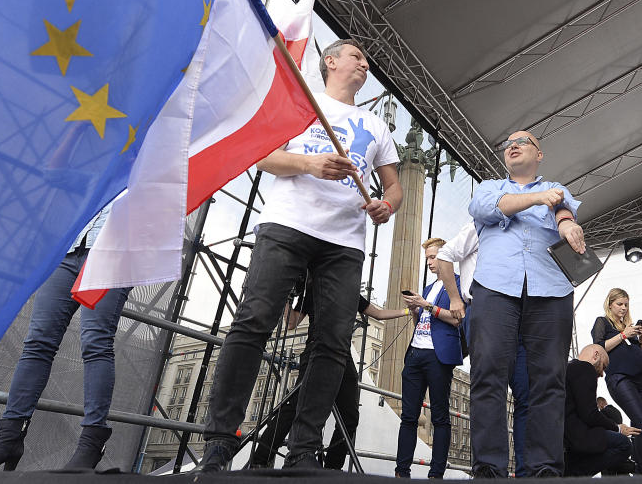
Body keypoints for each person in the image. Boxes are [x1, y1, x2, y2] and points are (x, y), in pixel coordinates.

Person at [198, 39, 402, 471]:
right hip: (287, 224)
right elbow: (263, 159)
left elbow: (394, 187)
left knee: (330, 342)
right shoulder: (299, 106)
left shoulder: (376, 126)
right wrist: (310, 165)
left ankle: (304, 448)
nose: (365, 64)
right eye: (356, 56)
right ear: (330, 62)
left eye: (367, 60)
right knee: (253, 320)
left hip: (345, 240)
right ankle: (219, 440)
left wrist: (388, 205)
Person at [0, 206, 133, 471]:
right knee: (37, 343)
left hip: (114, 251)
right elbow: (56, 174)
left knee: (96, 342)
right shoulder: (105, 163)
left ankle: (91, 444)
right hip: (69, 250)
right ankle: (8, 438)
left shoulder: (157, 164)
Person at [467, 129, 584, 478]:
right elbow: (493, 208)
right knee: (487, 375)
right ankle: (489, 467)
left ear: (540, 154)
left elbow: (565, 212)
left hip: (550, 289)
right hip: (494, 288)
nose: (513, 146)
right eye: (507, 144)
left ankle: (543, 467)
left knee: (549, 380)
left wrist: (566, 223)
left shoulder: (558, 190)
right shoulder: (491, 187)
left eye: (523, 142)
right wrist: (537, 198)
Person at [249, 280, 412, 469]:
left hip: (343, 353)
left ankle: (333, 468)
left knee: (349, 416)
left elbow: (378, 313)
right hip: (316, 349)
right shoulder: (315, 287)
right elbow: (292, 323)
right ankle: (261, 458)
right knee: (295, 406)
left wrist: (408, 311)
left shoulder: (350, 290)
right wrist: (287, 297)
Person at [433, 222, 531, 476]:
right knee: (490, 390)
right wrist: (455, 298)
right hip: (485, 311)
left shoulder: (526, 235)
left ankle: (526, 472)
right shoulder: (482, 224)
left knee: (528, 394)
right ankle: (490, 472)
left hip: (521, 316)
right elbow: (445, 255)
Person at [395, 238, 463, 478]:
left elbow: (457, 319)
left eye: (433, 257)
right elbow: (421, 322)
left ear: (446, 257)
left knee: (441, 417)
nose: (430, 263)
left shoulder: (458, 284)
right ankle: (401, 472)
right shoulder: (428, 288)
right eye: (428, 259)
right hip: (415, 352)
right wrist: (416, 310)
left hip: (438, 355)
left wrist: (428, 306)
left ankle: (436, 474)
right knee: (408, 416)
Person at [591, 288, 642, 474]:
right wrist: (623, 335)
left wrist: (641, 340)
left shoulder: (629, 328)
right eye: (620, 304)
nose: (624, 308)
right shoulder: (602, 322)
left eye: (626, 304)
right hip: (620, 378)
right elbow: (599, 346)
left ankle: (641, 468)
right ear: (610, 304)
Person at [564, 344, 639, 476]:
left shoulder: (568, 368)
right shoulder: (585, 368)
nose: (602, 374)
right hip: (578, 435)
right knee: (624, 445)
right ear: (595, 355)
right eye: (603, 366)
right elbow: (590, 415)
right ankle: (576, 473)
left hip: (566, 436)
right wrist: (618, 428)